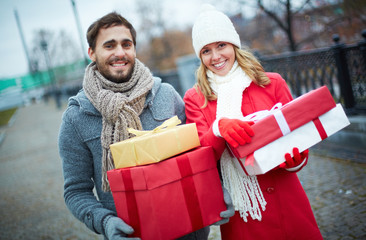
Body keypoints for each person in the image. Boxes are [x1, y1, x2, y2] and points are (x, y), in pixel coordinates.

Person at [58, 12, 231, 240]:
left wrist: (216, 193)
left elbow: (202, 156)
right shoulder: (76, 117)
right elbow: (76, 191)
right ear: (92, 53)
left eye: (126, 44)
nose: (120, 52)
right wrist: (106, 222)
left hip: (192, 232)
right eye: (109, 46)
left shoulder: (166, 94)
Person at [183, 4, 323, 240]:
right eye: (206, 51)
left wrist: (297, 159)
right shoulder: (195, 98)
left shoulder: (272, 83)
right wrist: (218, 129)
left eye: (221, 45)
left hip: (285, 198)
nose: (215, 56)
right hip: (243, 213)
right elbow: (202, 158)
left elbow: (298, 136)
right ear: (200, 56)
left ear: (233, 45)